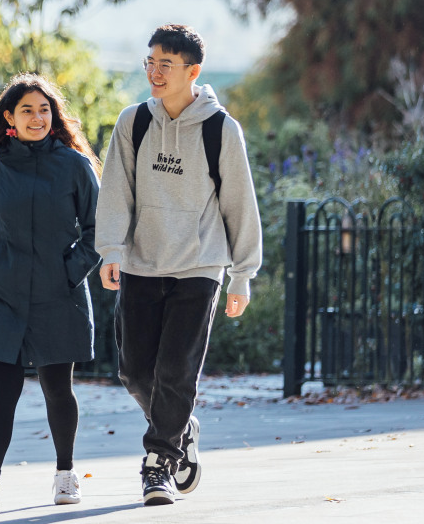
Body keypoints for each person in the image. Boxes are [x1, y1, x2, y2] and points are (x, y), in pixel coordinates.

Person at [96, 25, 263, 506]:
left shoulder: (220, 129)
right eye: (150, 61)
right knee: (133, 372)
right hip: (142, 264)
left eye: (165, 64)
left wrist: (241, 276)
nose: (154, 71)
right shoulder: (134, 122)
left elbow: (239, 204)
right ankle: (179, 424)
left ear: (192, 71)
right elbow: (116, 191)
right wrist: (110, 249)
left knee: (175, 373)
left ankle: (159, 461)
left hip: (199, 266)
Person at [0, 73, 103, 514]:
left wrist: (69, 272)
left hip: (58, 295)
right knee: (1, 390)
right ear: (9, 117)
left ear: (53, 115)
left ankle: (65, 474)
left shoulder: (75, 165)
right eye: (27, 110)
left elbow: (101, 230)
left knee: (58, 388)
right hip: (2, 295)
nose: (37, 117)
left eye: (44, 109)